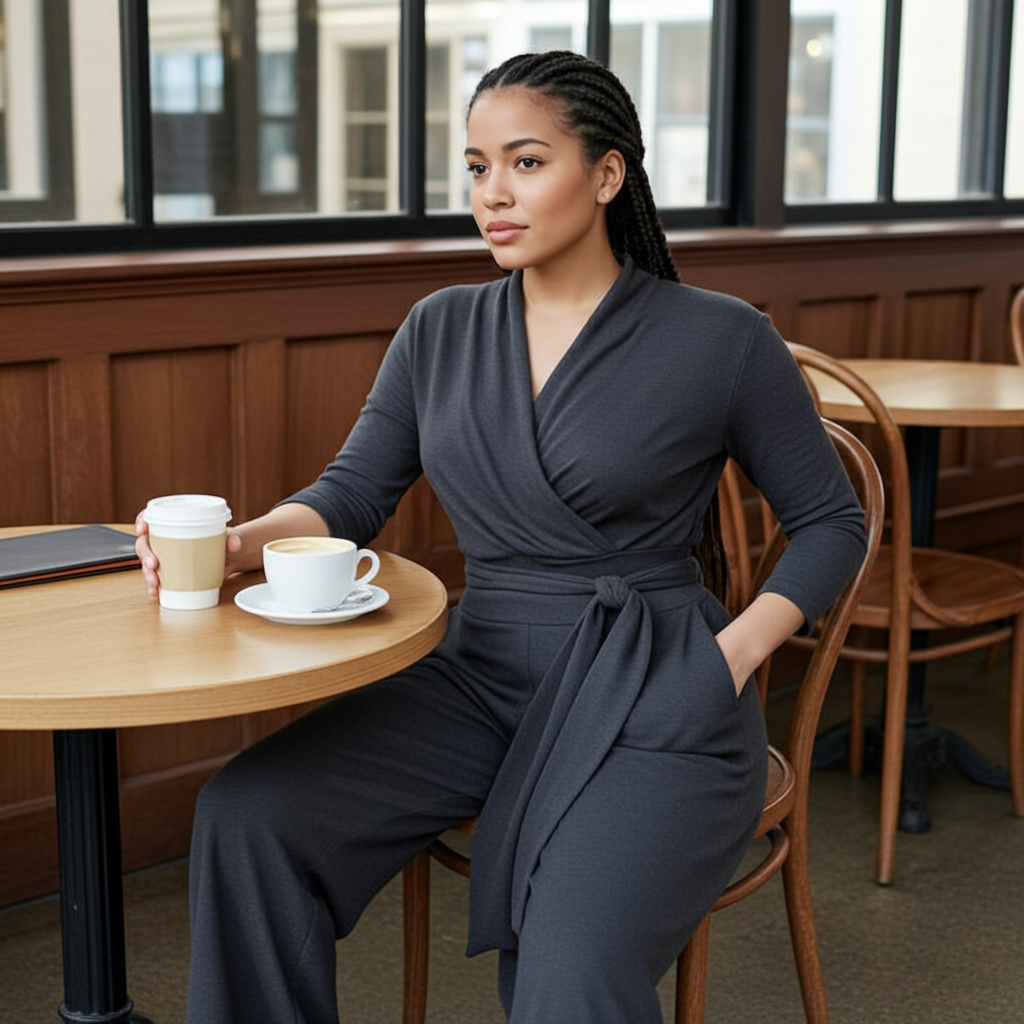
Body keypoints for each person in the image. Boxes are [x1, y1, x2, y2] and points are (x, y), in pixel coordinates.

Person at [136, 49, 866, 1024]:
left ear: (606, 175)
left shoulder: (721, 336)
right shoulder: (438, 326)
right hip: (480, 667)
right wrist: (239, 542)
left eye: (525, 162)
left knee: (568, 956)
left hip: (649, 678)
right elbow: (352, 492)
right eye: (476, 167)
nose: (492, 194)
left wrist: (724, 660)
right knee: (250, 815)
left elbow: (831, 523)